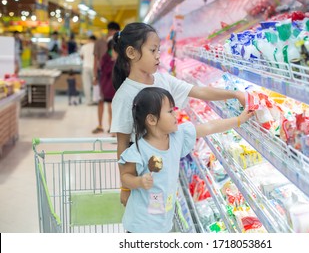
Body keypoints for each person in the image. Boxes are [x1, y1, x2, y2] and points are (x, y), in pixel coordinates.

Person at [110, 22, 246, 206]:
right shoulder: (124, 95)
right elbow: (122, 144)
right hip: (143, 171)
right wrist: (125, 187)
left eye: (159, 50)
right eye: (152, 50)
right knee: (147, 216)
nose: (158, 56)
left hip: (165, 166)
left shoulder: (162, 80)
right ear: (132, 53)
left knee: (161, 212)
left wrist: (234, 94)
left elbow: (199, 91)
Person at [119, 87, 253, 232]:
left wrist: (239, 120)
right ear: (152, 119)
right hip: (140, 225)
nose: (175, 114)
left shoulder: (178, 136)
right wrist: (138, 181)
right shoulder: (139, 150)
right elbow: (125, 176)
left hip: (163, 222)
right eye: (170, 111)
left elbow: (210, 127)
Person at [92, 21, 121, 134]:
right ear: (111, 30)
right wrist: (94, 76)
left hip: (114, 76)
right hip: (101, 75)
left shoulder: (118, 42)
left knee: (112, 102)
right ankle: (100, 125)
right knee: (100, 100)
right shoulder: (99, 43)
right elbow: (95, 60)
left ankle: (111, 126)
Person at [99, 39, 117, 136]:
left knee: (114, 109)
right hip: (108, 86)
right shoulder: (106, 57)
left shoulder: (119, 57)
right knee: (110, 108)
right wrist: (113, 62)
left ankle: (113, 129)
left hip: (115, 86)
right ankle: (112, 129)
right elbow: (105, 70)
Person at [79, 35, 96, 105]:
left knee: (87, 84)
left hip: (86, 67)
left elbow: (82, 57)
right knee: (95, 84)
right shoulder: (96, 46)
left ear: (89, 39)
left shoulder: (84, 47)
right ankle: (95, 100)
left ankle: (88, 101)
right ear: (95, 40)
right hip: (94, 67)